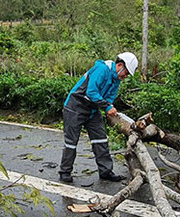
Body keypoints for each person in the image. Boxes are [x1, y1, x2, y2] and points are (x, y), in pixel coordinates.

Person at [59, 52, 138, 183]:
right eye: (126, 72)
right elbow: (91, 92)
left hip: (92, 110)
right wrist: (107, 107)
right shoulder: (102, 69)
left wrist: (109, 108)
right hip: (75, 107)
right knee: (71, 142)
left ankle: (105, 171)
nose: (126, 76)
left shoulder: (116, 80)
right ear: (120, 65)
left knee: (100, 139)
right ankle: (65, 172)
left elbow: (109, 98)